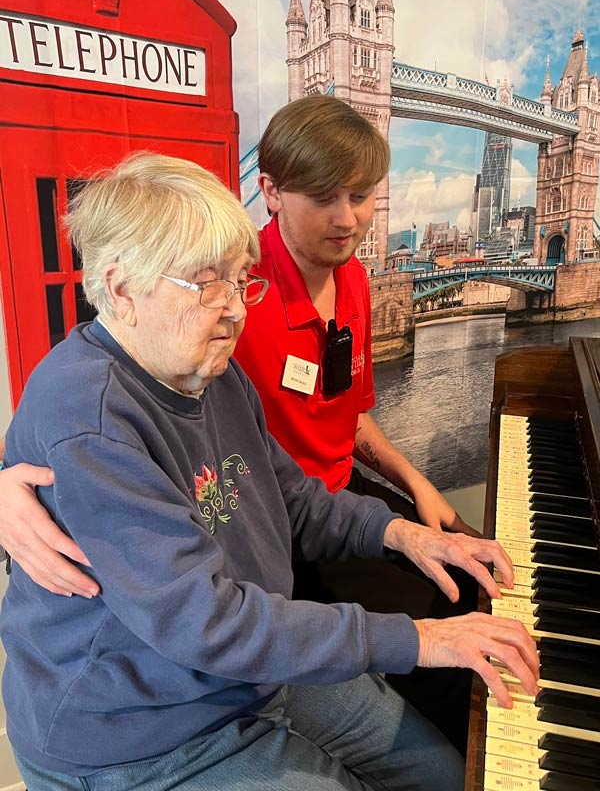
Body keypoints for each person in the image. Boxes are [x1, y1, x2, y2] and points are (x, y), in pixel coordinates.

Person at [0, 152, 538, 790]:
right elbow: (209, 622)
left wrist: (406, 534)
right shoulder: (89, 419)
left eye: (241, 281)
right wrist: (419, 638)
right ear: (121, 290)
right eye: (208, 284)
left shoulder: (212, 373)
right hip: (147, 731)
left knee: (444, 775)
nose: (236, 310)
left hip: (249, 673)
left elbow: (293, 500)